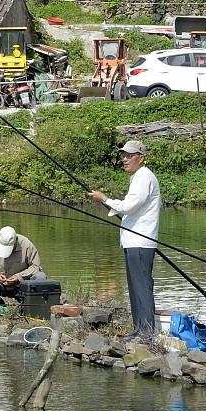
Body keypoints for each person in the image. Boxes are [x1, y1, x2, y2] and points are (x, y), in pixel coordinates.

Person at [88, 140, 160, 339]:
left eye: (130, 155)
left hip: (140, 242)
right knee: (136, 286)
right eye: (123, 155)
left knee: (142, 287)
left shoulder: (144, 176)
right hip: (135, 242)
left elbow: (129, 206)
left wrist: (104, 199)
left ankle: (145, 332)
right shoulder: (138, 176)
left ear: (141, 157)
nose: (125, 159)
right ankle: (139, 330)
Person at [0, 226, 47, 308]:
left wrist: (19, 277)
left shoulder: (27, 245)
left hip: (21, 286)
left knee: (40, 276)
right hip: (0, 285)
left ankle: (31, 305)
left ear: (15, 242)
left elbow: (36, 266)